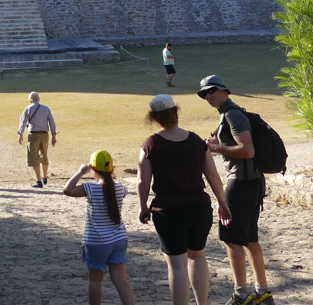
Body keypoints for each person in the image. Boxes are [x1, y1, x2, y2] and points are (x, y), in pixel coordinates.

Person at [138, 93, 232, 305]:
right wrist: (222, 203)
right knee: (198, 256)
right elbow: (213, 176)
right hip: (199, 207)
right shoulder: (196, 141)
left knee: (177, 265)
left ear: (154, 118)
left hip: (168, 210)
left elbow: (142, 182)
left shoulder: (150, 144)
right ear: (176, 112)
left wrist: (143, 206)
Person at [198, 75, 271, 305]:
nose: (208, 96)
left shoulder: (232, 114)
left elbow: (247, 150)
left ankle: (241, 294)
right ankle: (262, 292)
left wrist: (217, 148)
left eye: (212, 91)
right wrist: (216, 144)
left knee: (232, 240)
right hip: (252, 182)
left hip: (241, 184)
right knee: (249, 239)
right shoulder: (229, 113)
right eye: (204, 93)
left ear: (224, 91)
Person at [63, 151, 136, 305]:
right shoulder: (120, 188)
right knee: (120, 279)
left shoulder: (90, 188)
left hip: (96, 241)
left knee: (96, 281)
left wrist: (81, 172)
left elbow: (67, 190)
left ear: (93, 170)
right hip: (119, 239)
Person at [17, 91, 58, 187]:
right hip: (45, 135)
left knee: (34, 156)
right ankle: (45, 178)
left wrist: (20, 134)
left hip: (33, 135)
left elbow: (23, 122)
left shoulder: (28, 108)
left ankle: (38, 181)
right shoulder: (46, 109)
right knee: (44, 155)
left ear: (30, 100)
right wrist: (54, 136)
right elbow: (52, 123)